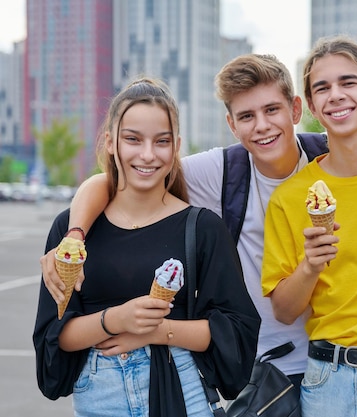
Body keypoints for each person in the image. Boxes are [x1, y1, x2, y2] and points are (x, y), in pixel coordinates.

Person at [40, 53, 357, 393]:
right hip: (255, 369)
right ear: (230, 124)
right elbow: (120, 176)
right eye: (246, 117)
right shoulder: (214, 171)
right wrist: (74, 234)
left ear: (296, 109)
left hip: (347, 362)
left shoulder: (342, 158)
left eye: (272, 110)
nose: (261, 126)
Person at [33, 77, 260, 417]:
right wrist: (116, 319)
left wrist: (155, 331)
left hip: (182, 389)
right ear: (111, 142)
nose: (148, 154)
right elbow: (57, 334)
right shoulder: (74, 232)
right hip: (99, 397)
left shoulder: (202, 228)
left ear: (177, 146)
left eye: (162, 141)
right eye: (133, 139)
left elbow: (235, 332)